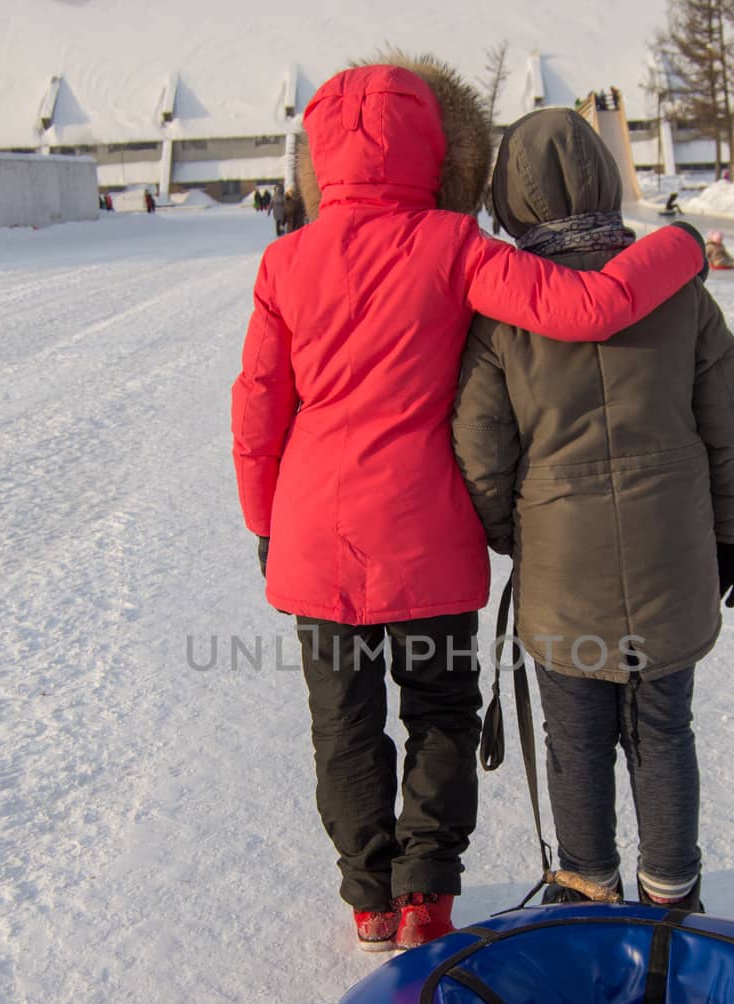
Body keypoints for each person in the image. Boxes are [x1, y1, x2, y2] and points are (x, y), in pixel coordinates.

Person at [231, 60, 707, 952]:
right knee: (441, 709)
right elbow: (591, 305)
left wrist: (263, 520)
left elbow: (259, 406)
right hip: (425, 533)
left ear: (320, 159)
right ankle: (427, 897)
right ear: (443, 151)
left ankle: (368, 895)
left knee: (341, 719)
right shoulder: (452, 246)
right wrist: (680, 245)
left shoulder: (284, 260)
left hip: (313, 535)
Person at [452, 108, 734, 914]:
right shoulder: (683, 297)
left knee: (576, 736)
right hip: (675, 549)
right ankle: (673, 891)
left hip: (562, 558)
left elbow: (480, 449)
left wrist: (513, 532)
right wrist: (733, 534)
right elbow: (731, 427)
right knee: (663, 727)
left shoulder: (502, 316)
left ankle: (587, 886)